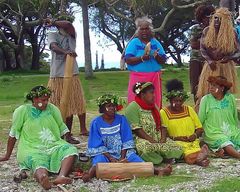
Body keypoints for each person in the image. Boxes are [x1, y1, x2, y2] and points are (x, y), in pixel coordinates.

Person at [0, 86, 78, 190]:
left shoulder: (53, 109)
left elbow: (61, 129)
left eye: (47, 100)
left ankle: (61, 176)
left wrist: (61, 146)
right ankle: (42, 177)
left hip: (53, 145)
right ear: (34, 99)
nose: (46, 103)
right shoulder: (23, 111)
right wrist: (7, 156)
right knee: (37, 160)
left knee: (70, 149)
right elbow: (13, 135)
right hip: (31, 147)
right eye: (43, 100)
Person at [83, 94, 172, 182]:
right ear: (102, 108)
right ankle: (89, 175)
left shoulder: (122, 119)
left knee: (134, 158)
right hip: (105, 153)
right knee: (99, 160)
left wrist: (122, 157)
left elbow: (126, 139)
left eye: (114, 106)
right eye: (109, 106)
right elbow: (96, 143)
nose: (112, 108)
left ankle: (158, 171)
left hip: (122, 151)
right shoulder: (96, 122)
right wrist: (110, 158)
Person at [46, 18, 88, 144]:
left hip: (72, 75)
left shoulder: (71, 34)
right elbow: (53, 47)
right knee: (55, 107)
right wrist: (66, 52)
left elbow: (69, 24)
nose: (66, 26)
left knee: (70, 107)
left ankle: (68, 135)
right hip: (57, 76)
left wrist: (52, 22)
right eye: (61, 24)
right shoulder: (52, 34)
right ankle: (56, 133)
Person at [125, 82, 183, 166]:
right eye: (151, 93)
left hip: (157, 137)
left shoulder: (154, 106)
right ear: (142, 94)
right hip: (141, 138)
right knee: (146, 149)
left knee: (176, 147)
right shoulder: (133, 107)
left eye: (154, 93)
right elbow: (137, 129)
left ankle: (162, 157)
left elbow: (162, 126)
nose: (154, 95)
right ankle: (161, 159)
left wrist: (163, 139)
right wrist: (150, 140)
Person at [196, 8, 240, 110]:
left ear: (225, 22)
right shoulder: (207, 31)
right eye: (215, 18)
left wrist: (230, 57)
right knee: (207, 91)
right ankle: (205, 112)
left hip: (226, 67)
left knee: (225, 92)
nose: (216, 21)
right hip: (211, 67)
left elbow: (238, 51)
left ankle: (225, 112)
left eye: (220, 19)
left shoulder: (232, 33)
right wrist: (209, 60)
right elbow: (202, 48)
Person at [160, 79, 209, 167]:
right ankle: (200, 159)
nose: (178, 103)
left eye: (181, 101)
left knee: (195, 148)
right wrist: (176, 138)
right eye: (175, 101)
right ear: (170, 100)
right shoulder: (163, 112)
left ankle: (199, 156)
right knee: (185, 154)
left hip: (192, 141)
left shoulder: (189, 109)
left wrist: (194, 135)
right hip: (176, 143)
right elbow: (163, 133)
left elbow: (199, 128)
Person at [124, 16, 167, 109]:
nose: (144, 31)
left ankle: (155, 120)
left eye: (146, 29)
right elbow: (128, 60)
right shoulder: (134, 43)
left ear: (150, 30)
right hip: (138, 78)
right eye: (141, 29)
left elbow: (163, 59)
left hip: (154, 77)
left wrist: (157, 56)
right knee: (137, 100)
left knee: (154, 100)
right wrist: (142, 58)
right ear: (138, 31)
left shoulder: (155, 42)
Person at [199, 76, 240, 159]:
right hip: (213, 131)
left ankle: (224, 151)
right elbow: (200, 118)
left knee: (237, 137)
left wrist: (235, 129)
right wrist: (199, 132)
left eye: (214, 86)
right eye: (211, 85)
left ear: (222, 88)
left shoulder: (230, 98)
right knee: (225, 142)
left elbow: (234, 115)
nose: (211, 88)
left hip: (230, 128)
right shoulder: (205, 99)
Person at [189, 5, 215, 103]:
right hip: (196, 59)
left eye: (210, 18)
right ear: (201, 17)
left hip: (209, 60)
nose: (208, 20)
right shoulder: (195, 28)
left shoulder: (215, 29)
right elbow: (193, 44)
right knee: (196, 84)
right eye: (205, 17)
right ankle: (197, 105)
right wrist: (206, 42)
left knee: (209, 84)